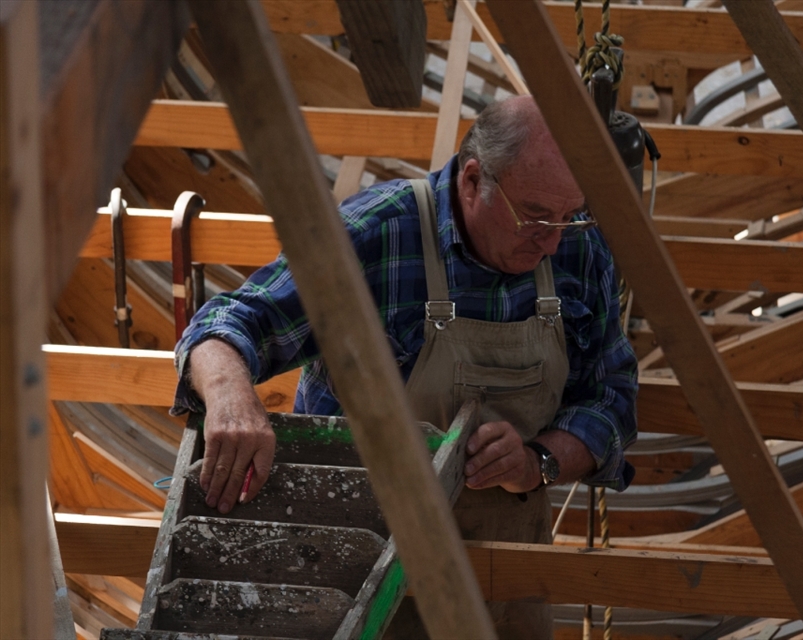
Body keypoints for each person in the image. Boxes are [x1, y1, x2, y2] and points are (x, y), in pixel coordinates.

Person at [173, 95, 638, 638]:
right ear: (472, 181)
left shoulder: (578, 247)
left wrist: (539, 462)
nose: (554, 239)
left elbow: (611, 396)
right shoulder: (377, 234)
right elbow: (228, 322)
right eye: (535, 218)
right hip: (352, 570)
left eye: (569, 216)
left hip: (503, 573)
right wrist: (231, 396)